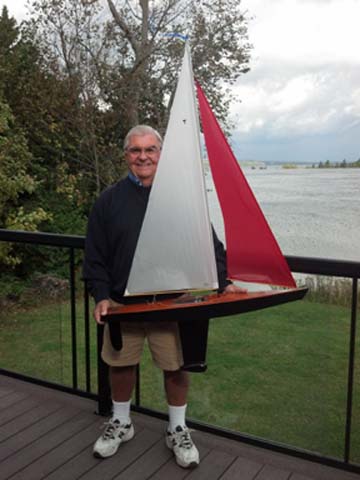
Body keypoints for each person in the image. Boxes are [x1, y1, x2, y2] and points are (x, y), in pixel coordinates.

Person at [83, 125, 244, 469]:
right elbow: (94, 255)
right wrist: (100, 295)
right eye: (135, 150)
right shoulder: (108, 201)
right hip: (122, 304)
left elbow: (209, 247)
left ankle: (177, 429)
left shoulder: (181, 200)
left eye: (150, 150)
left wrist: (224, 281)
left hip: (171, 304)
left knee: (175, 367)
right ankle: (122, 423)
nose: (143, 156)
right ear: (126, 155)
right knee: (120, 364)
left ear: (161, 154)